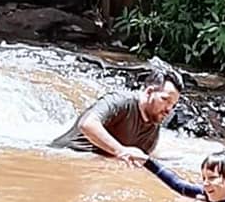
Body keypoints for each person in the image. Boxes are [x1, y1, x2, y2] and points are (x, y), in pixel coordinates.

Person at [50, 65, 183, 166]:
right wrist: (120, 151)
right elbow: (87, 124)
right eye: (165, 100)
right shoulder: (120, 101)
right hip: (63, 158)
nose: (169, 109)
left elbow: (140, 154)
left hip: (94, 166)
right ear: (149, 92)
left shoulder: (154, 119)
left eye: (173, 105)